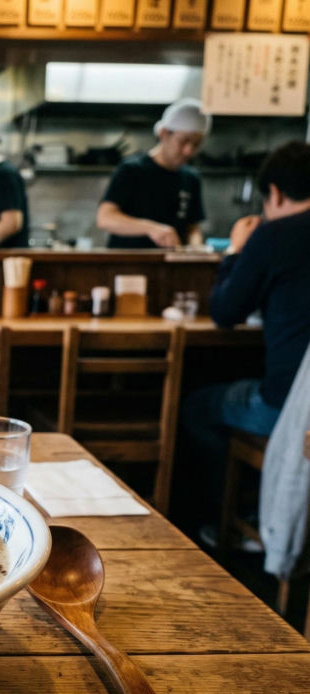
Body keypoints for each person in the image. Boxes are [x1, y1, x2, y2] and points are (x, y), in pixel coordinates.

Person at [179, 141, 310, 533]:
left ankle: (231, 521)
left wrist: (236, 249)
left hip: (289, 410)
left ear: (275, 193)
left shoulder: (273, 236)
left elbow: (225, 312)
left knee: (199, 407)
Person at [97, 99, 210, 249]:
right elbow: (105, 218)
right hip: (127, 264)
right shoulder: (132, 170)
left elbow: (192, 227)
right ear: (164, 133)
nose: (188, 151)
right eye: (183, 141)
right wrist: (151, 228)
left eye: (196, 144)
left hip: (172, 267)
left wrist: (196, 247)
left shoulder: (191, 178)